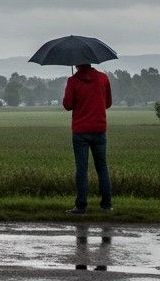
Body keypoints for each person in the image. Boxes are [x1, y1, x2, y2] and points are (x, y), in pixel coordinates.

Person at [63, 62, 113, 214]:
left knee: (82, 169)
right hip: (99, 128)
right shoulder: (103, 78)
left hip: (80, 131)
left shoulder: (73, 81)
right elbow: (108, 103)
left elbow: (67, 105)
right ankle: (106, 205)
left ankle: (81, 205)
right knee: (102, 167)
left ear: (76, 64)